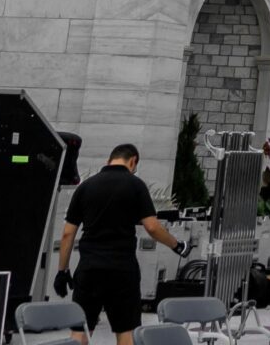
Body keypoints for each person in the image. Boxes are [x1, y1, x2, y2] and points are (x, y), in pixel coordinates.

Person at [55, 144, 188, 345]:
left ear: (109, 160)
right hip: (122, 270)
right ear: (133, 160)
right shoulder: (135, 185)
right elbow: (152, 227)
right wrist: (177, 245)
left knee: (80, 329)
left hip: (89, 269)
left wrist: (62, 271)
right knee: (126, 330)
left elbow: (67, 234)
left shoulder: (85, 187)